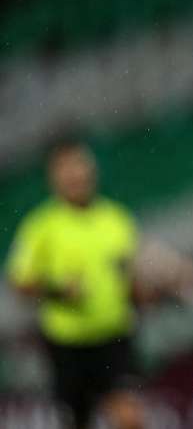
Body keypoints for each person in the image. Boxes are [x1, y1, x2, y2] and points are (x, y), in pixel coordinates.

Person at [6, 140, 144, 429]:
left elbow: (131, 277)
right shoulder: (41, 227)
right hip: (68, 345)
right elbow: (18, 281)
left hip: (114, 337)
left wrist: (143, 291)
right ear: (54, 179)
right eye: (68, 172)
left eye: (80, 168)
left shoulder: (116, 219)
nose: (76, 177)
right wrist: (57, 291)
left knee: (129, 419)